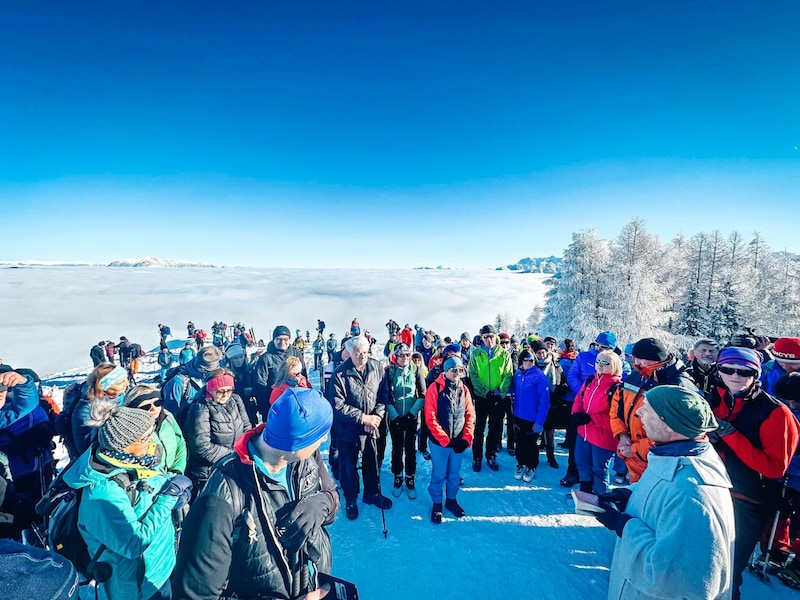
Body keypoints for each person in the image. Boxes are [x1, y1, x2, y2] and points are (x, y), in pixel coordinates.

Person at [173, 388, 337, 600]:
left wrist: (322, 503)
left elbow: (332, 496)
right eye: (321, 434)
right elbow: (194, 595)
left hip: (312, 584)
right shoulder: (222, 495)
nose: (325, 439)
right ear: (296, 442)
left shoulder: (307, 458)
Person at [595, 385, 734, 600]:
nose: (638, 412)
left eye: (647, 408)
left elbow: (681, 580)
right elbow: (663, 494)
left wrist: (623, 525)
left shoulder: (694, 494)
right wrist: (629, 495)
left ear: (670, 424)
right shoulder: (676, 455)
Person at [63, 401, 190, 600]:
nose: (152, 441)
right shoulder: (102, 494)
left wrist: (171, 489)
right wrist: (168, 498)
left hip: (160, 565)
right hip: (137, 588)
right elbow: (133, 544)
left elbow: (150, 488)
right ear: (125, 445)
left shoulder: (138, 460)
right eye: (146, 437)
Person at [707, 346, 800, 600]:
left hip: (747, 501)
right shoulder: (714, 398)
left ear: (756, 374)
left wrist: (731, 436)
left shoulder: (776, 413)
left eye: (744, 371)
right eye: (728, 369)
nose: (735, 376)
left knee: (727, 570)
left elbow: (774, 468)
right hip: (710, 491)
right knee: (704, 563)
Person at [609, 337, 696, 483]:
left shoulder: (678, 385)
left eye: (640, 359)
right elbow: (616, 408)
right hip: (634, 460)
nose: (636, 363)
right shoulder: (636, 376)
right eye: (634, 358)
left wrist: (636, 449)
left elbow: (676, 434)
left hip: (661, 465)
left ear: (656, 360)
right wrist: (622, 436)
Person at [332, 335, 390, 520]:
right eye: (358, 354)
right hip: (348, 429)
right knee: (348, 467)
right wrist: (363, 418)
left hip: (370, 427)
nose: (362, 357)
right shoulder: (339, 374)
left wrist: (376, 418)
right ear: (349, 353)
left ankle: (371, 493)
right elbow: (337, 406)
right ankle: (351, 498)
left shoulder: (377, 367)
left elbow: (383, 395)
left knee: (371, 462)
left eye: (365, 353)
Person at [0, 369, 55, 534]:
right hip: (18, 475)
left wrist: (24, 384)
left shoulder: (7, 414)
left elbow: (26, 404)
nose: (1, 394)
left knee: (31, 516)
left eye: (2, 390)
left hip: (31, 470)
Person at [184, 369, 252, 495]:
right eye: (221, 391)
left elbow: (247, 427)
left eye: (229, 390)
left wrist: (246, 450)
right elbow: (201, 446)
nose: (226, 395)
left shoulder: (235, 401)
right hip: (209, 471)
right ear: (211, 390)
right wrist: (234, 456)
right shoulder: (200, 409)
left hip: (234, 465)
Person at [425, 356, 475, 523]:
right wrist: (445, 440)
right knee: (439, 474)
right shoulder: (435, 388)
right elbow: (430, 417)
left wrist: (466, 438)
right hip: (440, 442)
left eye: (460, 370)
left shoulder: (464, 389)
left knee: (454, 474)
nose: (457, 373)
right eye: (453, 370)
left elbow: (470, 415)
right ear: (445, 371)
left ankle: (451, 500)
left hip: (458, 442)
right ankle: (437, 503)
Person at [571, 350, 622, 495]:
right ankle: (585, 493)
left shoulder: (616, 387)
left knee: (599, 469)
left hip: (603, 436)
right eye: (598, 361)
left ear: (614, 365)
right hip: (584, 432)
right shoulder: (590, 380)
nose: (600, 365)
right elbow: (579, 399)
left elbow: (617, 418)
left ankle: (602, 499)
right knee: (582, 463)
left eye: (605, 362)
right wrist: (576, 414)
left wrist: (591, 418)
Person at [379, 344, 426, 499]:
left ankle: (410, 478)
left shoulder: (416, 370)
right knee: (397, 447)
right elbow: (385, 396)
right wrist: (395, 416)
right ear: (395, 357)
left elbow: (422, 395)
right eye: (401, 355)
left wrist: (412, 414)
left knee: (411, 448)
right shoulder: (390, 372)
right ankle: (398, 476)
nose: (404, 358)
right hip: (395, 417)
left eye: (407, 355)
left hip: (411, 417)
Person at [468, 325, 513, 472]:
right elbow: (473, 375)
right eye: (485, 337)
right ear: (482, 338)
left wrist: (500, 391)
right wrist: (484, 391)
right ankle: (477, 457)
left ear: (496, 337)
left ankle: (491, 455)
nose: (489, 339)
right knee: (479, 428)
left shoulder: (504, 354)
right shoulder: (476, 354)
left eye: (491, 336)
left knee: (495, 428)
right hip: (482, 397)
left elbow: (508, 374)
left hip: (498, 397)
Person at [123, 384, 187, 474]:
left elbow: (180, 442)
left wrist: (178, 469)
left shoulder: (167, 417)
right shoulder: (128, 431)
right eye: (146, 407)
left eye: (157, 403)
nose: (154, 409)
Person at [71, 364, 130, 458]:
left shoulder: (118, 396)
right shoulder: (87, 409)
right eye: (121, 382)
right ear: (108, 385)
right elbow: (83, 444)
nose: (127, 384)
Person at [509, 350, 549, 482]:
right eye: (525, 360)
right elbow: (514, 388)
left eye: (531, 360)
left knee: (531, 444)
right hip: (518, 415)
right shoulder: (518, 374)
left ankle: (531, 466)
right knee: (520, 442)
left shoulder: (539, 376)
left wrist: (539, 422)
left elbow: (544, 401)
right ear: (521, 361)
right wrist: (503, 390)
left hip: (532, 418)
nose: (528, 363)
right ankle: (521, 463)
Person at [254, 326, 307, 423]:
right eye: (278, 339)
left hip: (295, 406)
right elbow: (259, 384)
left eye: (285, 339)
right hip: (273, 405)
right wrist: (264, 408)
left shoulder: (296, 354)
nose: (282, 342)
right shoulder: (266, 358)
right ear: (273, 340)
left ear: (289, 340)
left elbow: (304, 377)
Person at [161, 345, 222, 420]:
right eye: (209, 370)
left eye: (216, 369)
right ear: (201, 367)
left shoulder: (214, 377)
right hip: (186, 426)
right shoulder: (179, 382)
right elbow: (170, 414)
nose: (213, 373)